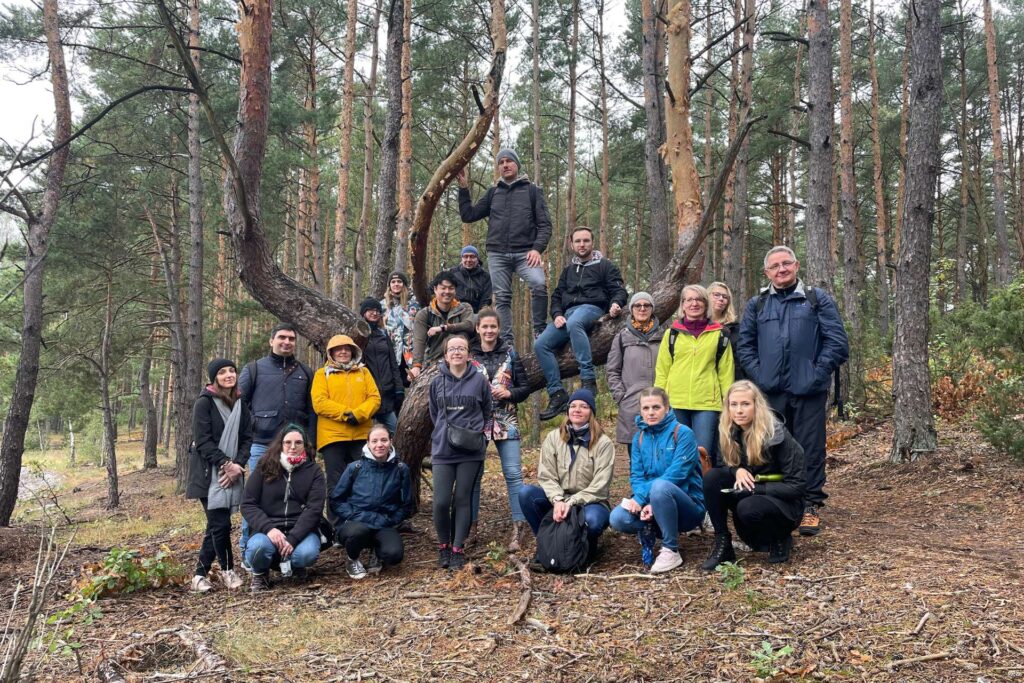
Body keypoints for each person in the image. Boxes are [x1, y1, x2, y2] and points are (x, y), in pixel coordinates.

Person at [736, 246, 849, 536]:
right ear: (767, 272)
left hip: (808, 391)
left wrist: (815, 373)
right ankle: (778, 501)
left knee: (810, 448)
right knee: (772, 448)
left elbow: (837, 343)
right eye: (775, 266)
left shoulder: (815, 299)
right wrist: (760, 376)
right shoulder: (758, 305)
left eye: (786, 263)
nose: (781, 269)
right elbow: (745, 346)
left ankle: (810, 505)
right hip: (770, 392)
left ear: (797, 266)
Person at [701, 381, 806, 569]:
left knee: (748, 507)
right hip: (747, 498)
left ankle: (780, 538)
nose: (739, 411)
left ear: (756, 406)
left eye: (745, 404)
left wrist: (756, 489)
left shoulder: (777, 434)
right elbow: (720, 466)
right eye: (734, 405)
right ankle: (723, 543)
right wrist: (736, 470)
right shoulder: (727, 429)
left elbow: (797, 486)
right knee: (712, 478)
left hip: (783, 506)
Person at [456, 149, 553, 344]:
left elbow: (545, 225)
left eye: (509, 161)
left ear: (517, 165)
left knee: (539, 285)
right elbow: (469, 215)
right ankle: (507, 342)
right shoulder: (493, 193)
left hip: (526, 252)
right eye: (501, 162)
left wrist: (536, 249)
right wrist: (464, 188)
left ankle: (540, 332)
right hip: (498, 253)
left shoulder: (532, 191)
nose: (505, 165)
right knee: (501, 298)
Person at [238, 323, 315, 561]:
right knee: (256, 494)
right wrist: (253, 428)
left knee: (297, 494)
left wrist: (311, 443)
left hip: (297, 446)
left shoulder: (305, 372)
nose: (287, 342)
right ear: (271, 341)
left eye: (291, 338)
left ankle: (294, 546)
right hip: (262, 443)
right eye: (281, 337)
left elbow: (313, 411)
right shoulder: (254, 369)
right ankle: (248, 549)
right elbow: (240, 406)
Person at [609, 388, 705, 573]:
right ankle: (652, 530)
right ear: (640, 411)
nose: (651, 412)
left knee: (661, 487)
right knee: (618, 518)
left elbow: (678, 475)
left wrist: (651, 498)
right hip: (654, 501)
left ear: (667, 408)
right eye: (646, 408)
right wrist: (643, 501)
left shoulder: (683, 433)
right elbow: (636, 475)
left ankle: (671, 550)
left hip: (686, 506)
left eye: (656, 407)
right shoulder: (639, 438)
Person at [536, 227, 628, 420]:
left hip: (591, 309)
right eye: (578, 241)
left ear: (592, 242)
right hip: (567, 315)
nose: (582, 244)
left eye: (586, 240)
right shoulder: (568, 270)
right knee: (541, 344)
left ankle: (587, 378)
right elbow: (557, 296)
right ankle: (557, 394)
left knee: (575, 322)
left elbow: (619, 290)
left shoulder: (605, 266)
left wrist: (615, 304)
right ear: (571, 244)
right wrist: (557, 313)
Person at [519, 388, 614, 556]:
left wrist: (571, 502)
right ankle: (548, 544)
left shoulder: (603, 443)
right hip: (558, 498)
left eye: (584, 406)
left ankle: (584, 548)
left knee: (592, 521)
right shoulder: (553, 438)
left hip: (590, 502)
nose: (577, 410)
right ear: (568, 410)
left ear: (591, 412)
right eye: (573, 406)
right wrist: (558, 500)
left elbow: (601, 485)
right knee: (526, 494)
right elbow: (546, 475)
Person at [186, 359, 253, 592]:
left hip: (233, 471)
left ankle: (199, 576)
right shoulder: (204, 403)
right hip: (208, 474)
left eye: (232, 371)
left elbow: (247, 438)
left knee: (215, 526)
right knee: (220, 524)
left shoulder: (241, 403)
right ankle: (228, 571)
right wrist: (226, 464)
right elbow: (202, 441)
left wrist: (238, 465)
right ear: (214, 378)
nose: (228, 375)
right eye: (223, 372)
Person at [428, 334, 493, 570]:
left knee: (463, 499)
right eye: (452, 349)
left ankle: (457, 548)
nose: (457, 352)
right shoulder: (436, 383)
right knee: (441, 502)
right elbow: (435, 414)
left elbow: (487, 410)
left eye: (462, 348)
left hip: (471, 450)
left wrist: (476, 434)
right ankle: (443, 546)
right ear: (445, 355)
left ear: (468, 354)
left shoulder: (479, 381)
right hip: (443, 448)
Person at [468, 308, 530, 551]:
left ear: (498, 328)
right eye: (485, 327)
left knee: (514, 474)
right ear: (478, 329)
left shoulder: (511, 354)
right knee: (473, 477)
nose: (489, 331)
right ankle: (470, 528)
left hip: (507, 419)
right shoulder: (469, 355)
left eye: (493, 326)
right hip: (475, 423)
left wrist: (510, 392)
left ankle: (519, 527)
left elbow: (525, 387)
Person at [654, 284, 734, 465]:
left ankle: (701, 492)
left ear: (706, 304)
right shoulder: (672, 333)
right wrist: (659, 401)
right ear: (682, 305)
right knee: (676, 452)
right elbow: (662, 370)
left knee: (703, 453)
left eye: (699, 299)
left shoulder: (720, 335)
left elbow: (725, 373)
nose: (694, 303)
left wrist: (728, 403)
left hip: (707, 403)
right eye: (689, 299)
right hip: (675, 401)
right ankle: (679, 492)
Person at [241, 425, 326, 591]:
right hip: (268, 530)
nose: (293, 447)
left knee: (306, 554)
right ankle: (260, 573)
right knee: (258, 549)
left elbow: (314, 509)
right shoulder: (264, 467)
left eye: (298, 442)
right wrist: (269, 529)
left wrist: (293, 538)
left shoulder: (314, 471)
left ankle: (296, 566)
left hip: (301, 530)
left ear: (305, 445)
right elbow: (248, 503)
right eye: (288, 442)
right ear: (280, 444)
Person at [330, 424, 413, 580]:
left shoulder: (401, 469)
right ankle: (352, 559)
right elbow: (336, 500)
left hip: (384, 523)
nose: (379, 445)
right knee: (357, 533)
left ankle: (378, 551)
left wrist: (392, 519)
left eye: (384, 440)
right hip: (357, 522)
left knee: (394, 555)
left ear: (391, 442)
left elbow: (407, 504)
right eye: (374, 441)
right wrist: (354, 514)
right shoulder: (355, 467)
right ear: (368, 443)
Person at [311, 335, 381, 513]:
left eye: (347, 348)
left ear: (353, 351)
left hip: (361, 435)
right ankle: (337, 527)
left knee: (363, 480)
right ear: (331, 353)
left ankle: (362, 522)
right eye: (338, 349)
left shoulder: (364, 372)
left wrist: (358, 414)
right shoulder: (322, 374)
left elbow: (374, 398)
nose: (343, 351)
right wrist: (345, 414)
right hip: (332, 438)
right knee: (336, 483)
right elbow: (319, 402)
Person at [606, 292, 665, 454]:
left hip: (660, 404)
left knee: (662, 456)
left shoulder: (665, 335)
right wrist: (622, 396)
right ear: (631, 309)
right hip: (632, 404)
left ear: (652, 309)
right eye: (637, 305)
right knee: (637, 459)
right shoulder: (621, 337)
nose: (642, 308)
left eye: (646, 305)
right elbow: (612, 370)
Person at [410, 270, 477, 378]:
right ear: (435, 289)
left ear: (455, 291)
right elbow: (419, 341)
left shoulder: (465, 308)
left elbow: (469, 325)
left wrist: (443, 328)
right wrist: (416, 365)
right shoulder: (424, 314)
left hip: (463, 359)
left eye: (451, 288)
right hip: (435, 361)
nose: (447, 291)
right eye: (443, 288)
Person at [359, 297, 403, 434]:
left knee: (395, 431)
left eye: (377, 310)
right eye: (370, 310)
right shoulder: (358, 335)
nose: (374, 313)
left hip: (387, 393)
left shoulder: (383, 334)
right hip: (366, 395)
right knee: (367, 435)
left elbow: (393, 364)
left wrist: (399, 387)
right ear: (363, 313)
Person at [381, 270, 420, 395]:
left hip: (411, 352)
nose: (396, 284)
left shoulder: (414, 304)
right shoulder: (383, 305)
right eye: (393, 282)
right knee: (394, 389)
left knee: (413, 386)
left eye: (399, 281)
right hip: (391, 353)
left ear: (404, 284)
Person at [709, 281, 744, 381]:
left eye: (725, 297)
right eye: (716, 295)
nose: (721, 299)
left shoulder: (736, 329)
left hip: (732, 380)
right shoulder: (698, 327)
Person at [450, 245, 493, 313]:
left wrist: (480, 314)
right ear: (462, 258)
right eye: (465, 256)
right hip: (455, 311)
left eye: (472, 256)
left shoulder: (485, 276)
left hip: (476, 313)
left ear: (477, 259)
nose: (469, 260)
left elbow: (486, 299)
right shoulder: (452, 273)